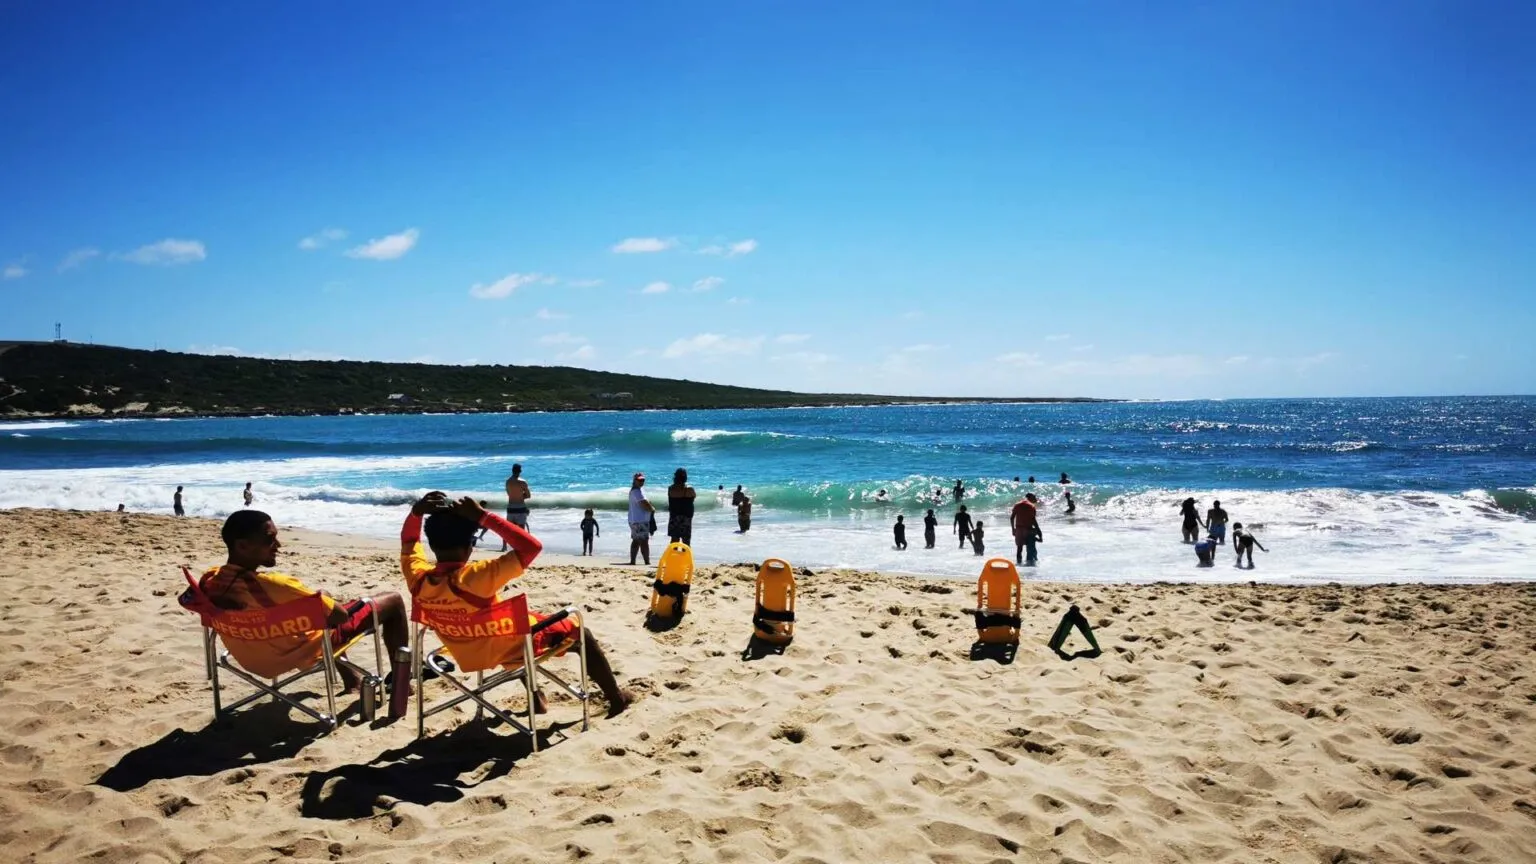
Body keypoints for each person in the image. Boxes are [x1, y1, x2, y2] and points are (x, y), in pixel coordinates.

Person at [401, 492, 630, 716]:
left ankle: (535, 698)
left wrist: (416, 513)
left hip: (464, 651)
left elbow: (409, 541)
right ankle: (616, 698)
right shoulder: (476, 577)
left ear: (431, 544)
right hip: (507, 648)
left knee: (509, 623)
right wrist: (483, 516)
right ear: (470, 546)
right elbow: (531, 547)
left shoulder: (418, 579)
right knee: (581, 633)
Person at [204, 510, 412, 714]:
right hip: (295, 651)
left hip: (250, 656)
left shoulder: (210, 581)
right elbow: (340, 617)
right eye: (270, 540)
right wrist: (326, 601)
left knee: (321, 602)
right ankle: (402, 685)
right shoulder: (276, 585)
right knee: (392, 600)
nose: (278, 546)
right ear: (242, 545)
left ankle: (352, 681)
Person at [627, 473, 655, 565]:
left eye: (643, 480)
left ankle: (633, 561)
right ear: (635, 480)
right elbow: (643, 503)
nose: (641, 482)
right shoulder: (636, 491)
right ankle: (646, 561)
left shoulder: (637, 490)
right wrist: (652, 509)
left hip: (635, 519)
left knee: (637, 540)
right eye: (639, 480)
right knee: (643, 542)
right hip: (639, 520)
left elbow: (644, 501)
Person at [666, 468, 697, 546]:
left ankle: (673, 557)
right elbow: (694, 497)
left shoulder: (671, 489)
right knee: (686, 542)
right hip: (686, 517)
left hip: (674, 517)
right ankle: (686, 557)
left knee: (674, 541)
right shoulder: (690, 489)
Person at [503, 463, 532, 543]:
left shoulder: (507, 482)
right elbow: (528, 496)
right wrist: (521, 496)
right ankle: (521, 545)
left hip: (510, 508)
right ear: (520, 471)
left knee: (508, 529)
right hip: (520, 507)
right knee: (521, 529)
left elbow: (509, 494)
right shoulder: (523, 482)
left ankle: (504, 547)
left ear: (512, 470)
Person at [1011, 492, 1042, 566]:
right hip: (1028, 530)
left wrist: (1013, 529)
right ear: (1030, 497)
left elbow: (1012, 518)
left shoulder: (1017, 504)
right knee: (1030, 550)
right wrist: (1039, 533)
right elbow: (1034, 521)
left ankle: (1018, 566)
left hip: (1018, 529)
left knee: (1019, 549)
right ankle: (1030, 567)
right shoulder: (1031, 506)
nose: (1035, 499)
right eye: (1034, 497)